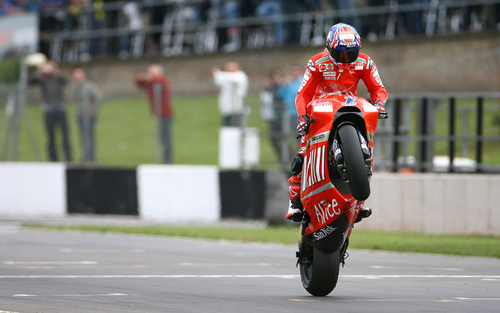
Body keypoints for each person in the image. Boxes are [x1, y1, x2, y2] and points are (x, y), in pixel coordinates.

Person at [286, 23, 388, 222]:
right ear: (329, 47)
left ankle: (358, 201)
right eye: (340, 53)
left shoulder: (365, 62)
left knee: (368, 142)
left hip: (349, 106)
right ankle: (294, 202)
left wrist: (379, 103)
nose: (345, 59)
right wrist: (302, 117)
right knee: (301, 153)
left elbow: (378, 88)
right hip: (320, 109)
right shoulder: (317, 62)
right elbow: (303, 95)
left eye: (351, 53)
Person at [29, 60, 72, 162]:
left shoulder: (58, 78)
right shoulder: (42, 79)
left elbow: (66, 81)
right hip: (48, 110)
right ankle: (53, 159)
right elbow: (31, 82)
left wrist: (56, 71)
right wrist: (39, 71)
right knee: (50, 137)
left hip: (60, 109)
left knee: (65, 135)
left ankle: (68, 158)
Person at [134, 64, 174, 164]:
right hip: (158, 114)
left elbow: (160, 81)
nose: (150, 75)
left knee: (166, 138)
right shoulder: (151, 83)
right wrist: (142, 77)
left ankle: (167, 161)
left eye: (152, 73)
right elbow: (138, 82)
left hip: (165, 114)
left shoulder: (161, 81)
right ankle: (162, 159)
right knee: (160, 138)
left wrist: (150, 77)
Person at [72, 68, 102, 164]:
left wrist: (92, 112)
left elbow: (99, 98)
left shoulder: (88, 86)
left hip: (88, 117)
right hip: (81, 116)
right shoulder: (77, 87)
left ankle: (90, 158)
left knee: (89, 137)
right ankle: (85, 157)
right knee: (83, 137)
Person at [212, 61, 249, 127]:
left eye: (232, 66)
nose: (229, 68)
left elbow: (223, 77)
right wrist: (218, 75)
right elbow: (217, 80)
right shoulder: (226, 77)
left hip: (237, 108)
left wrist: (218, 73)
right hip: (226, 108)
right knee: (228, 129)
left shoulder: (240, 75)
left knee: (237, 129)